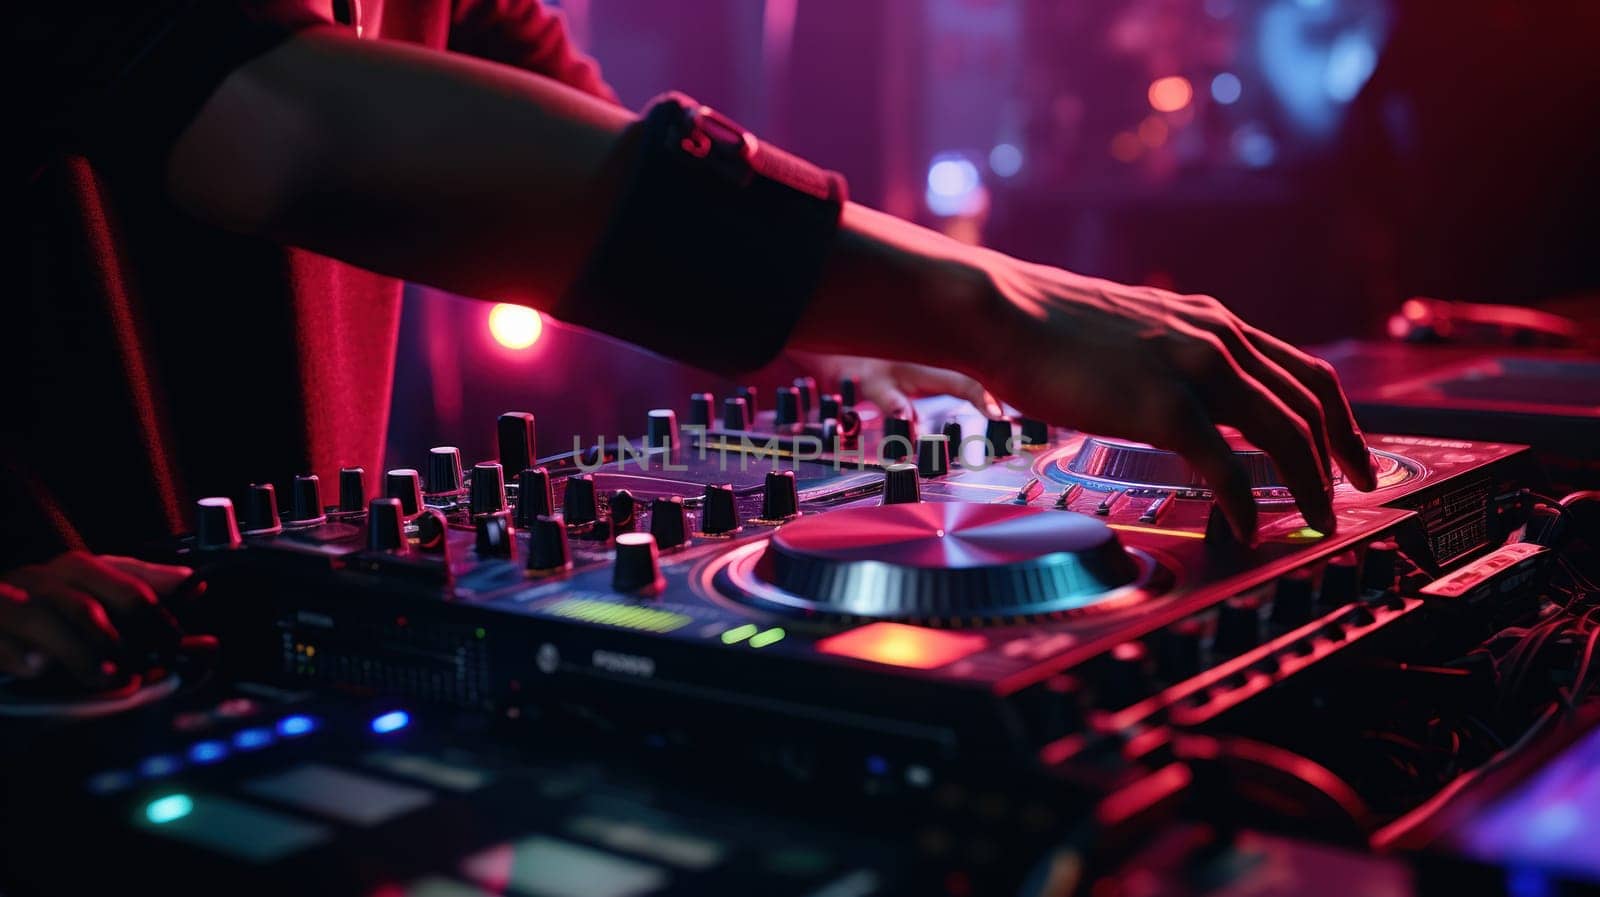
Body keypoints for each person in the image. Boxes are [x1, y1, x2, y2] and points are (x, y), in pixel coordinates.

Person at [5, 1, 1374, 685]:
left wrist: (852, 332)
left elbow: (564, 129)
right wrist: (988, 308)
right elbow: (278, 113)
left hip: (233, 643)